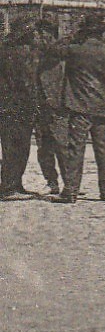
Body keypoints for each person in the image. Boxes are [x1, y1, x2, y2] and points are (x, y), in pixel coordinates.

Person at [43, 15, 105, 203]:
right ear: (101, 33)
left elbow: (51, 50)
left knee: (76, 149)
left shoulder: (75, 51)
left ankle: (71, 191)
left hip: (79, 106)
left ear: (84, 32)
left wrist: (70, 37)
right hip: (102, 107)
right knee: (103, 149)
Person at [0, 21, 43, 199]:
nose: (36, 37)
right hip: (19, 106)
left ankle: (13, 185)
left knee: (10, 147)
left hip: (6, 106)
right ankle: (10, 187)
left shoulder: (5, 51)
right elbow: (25, 83)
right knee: (19, 147)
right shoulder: (21, 54)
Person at [33, 16, 64, 196]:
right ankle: (52, 182)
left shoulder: (63, 55)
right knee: (44, 148)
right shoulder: (38, 55)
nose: (40, 37)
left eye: (43, 34)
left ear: (50, 34)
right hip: (42, 107)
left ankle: (70, 183)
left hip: (59, 108)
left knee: (63, 147)